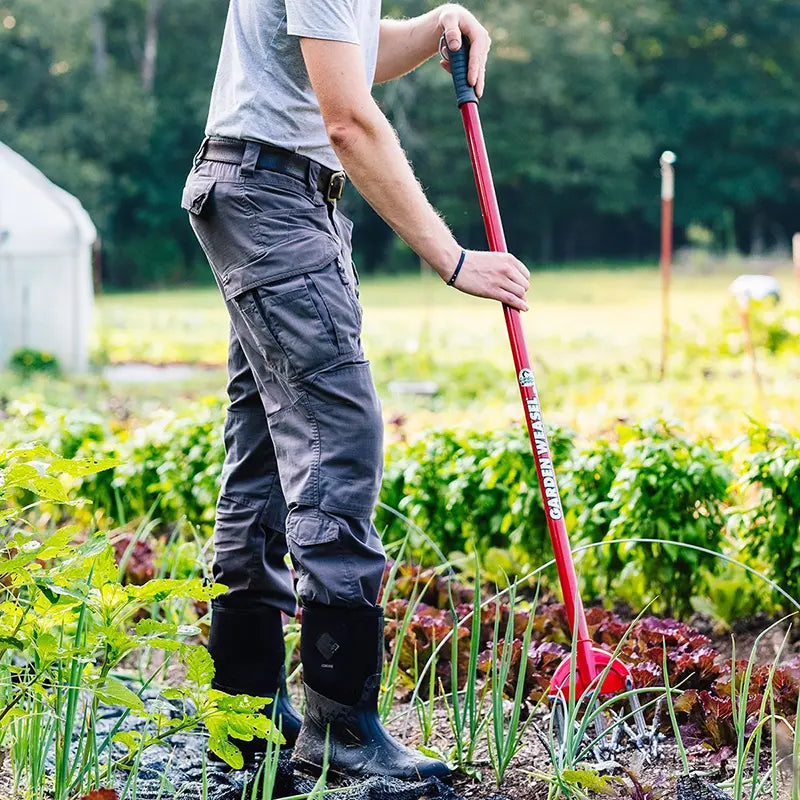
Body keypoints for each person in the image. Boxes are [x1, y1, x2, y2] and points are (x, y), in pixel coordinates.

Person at [181, 0, 530, 782]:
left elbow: (344, 57)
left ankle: (244, 716)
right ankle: (340, 725)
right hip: (273, 194)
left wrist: (430, 27)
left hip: (263, 188)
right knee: (340, 439)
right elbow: (347, 118)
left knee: (266, 458)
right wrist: (454, 258)